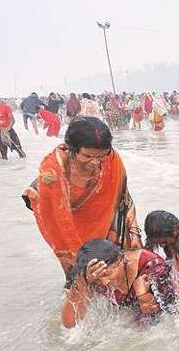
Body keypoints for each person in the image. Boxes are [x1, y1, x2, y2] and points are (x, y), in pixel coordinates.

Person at [22, 117, 142, 276]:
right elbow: (58, 225)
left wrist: (133, 233)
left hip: (100, 213)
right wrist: (80, 265)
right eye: (87, 156)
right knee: (78, 272)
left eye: (101, 157)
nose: (95, 162)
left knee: (115, 262)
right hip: (62, 213)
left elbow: (123, 197)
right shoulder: (53, 172)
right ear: (72, 148)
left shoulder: (111, 158)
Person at [61, 239, 175, 328]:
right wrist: (82, 284)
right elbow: (70, 323)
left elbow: (169, 311)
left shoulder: (151, 266)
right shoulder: (91, 276)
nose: (104, 282)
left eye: (108, 273)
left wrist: (143, 296)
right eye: (98, 279)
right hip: (126, 316)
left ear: (121, 260)